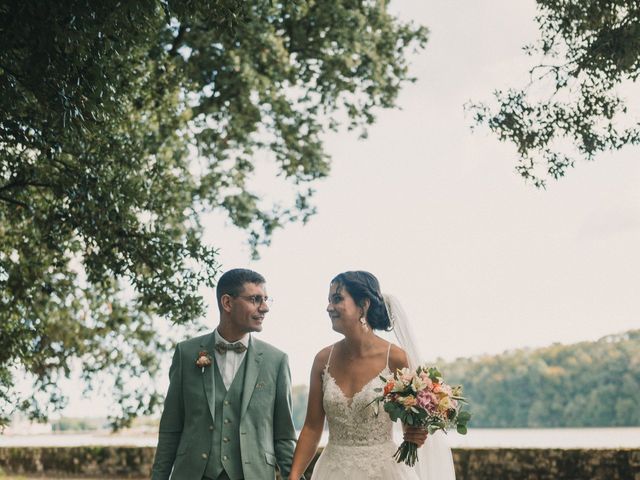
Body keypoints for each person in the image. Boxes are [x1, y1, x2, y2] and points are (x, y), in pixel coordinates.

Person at [289, 270, 453, 480]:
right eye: (329, 300)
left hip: (383, 472)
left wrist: (416, 435)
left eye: (337, 299)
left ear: (363, 305)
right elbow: (312, 427)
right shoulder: (323, 360)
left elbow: (411, 427)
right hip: (333, 470)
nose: (329, 307)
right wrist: (293, 476)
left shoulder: (394, 359)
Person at [151, 268, 297, 480]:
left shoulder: (276, 361)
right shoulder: (186, 353)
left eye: (266, 300)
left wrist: (292, 476)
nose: (264, 308)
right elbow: (171, 429)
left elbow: (284, 436)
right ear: (227, 303)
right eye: (255, 299)